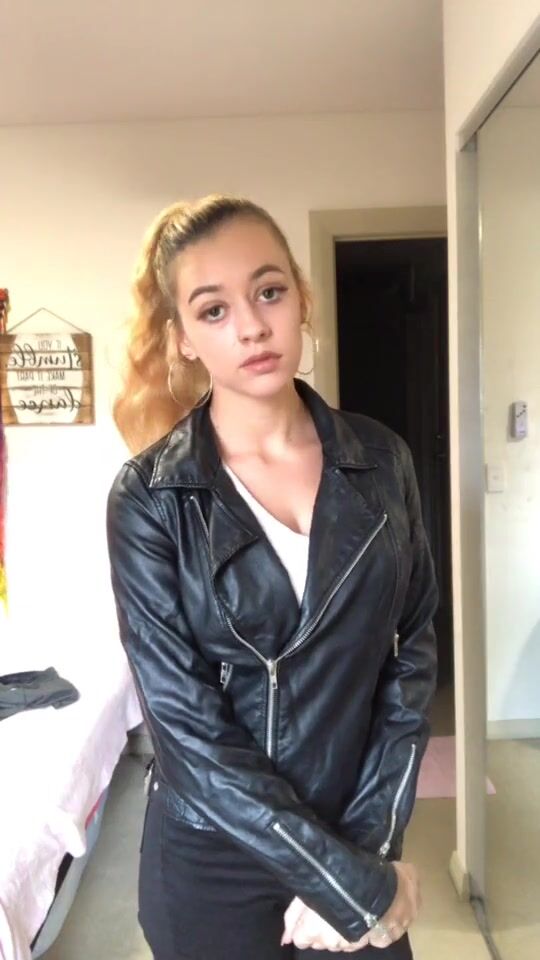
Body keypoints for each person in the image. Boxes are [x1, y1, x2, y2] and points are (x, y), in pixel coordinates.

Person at [106, 194, 439, 959]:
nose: (252, 326)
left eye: (268, 291)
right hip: (212, 861)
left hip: (353, 827)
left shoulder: (381, 460)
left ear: (301, 299)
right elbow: (186, 729)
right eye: (213, 309)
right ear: (183, 337)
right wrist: (348, 885)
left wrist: (369, 850)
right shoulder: (151, 498)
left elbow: (412, 657)